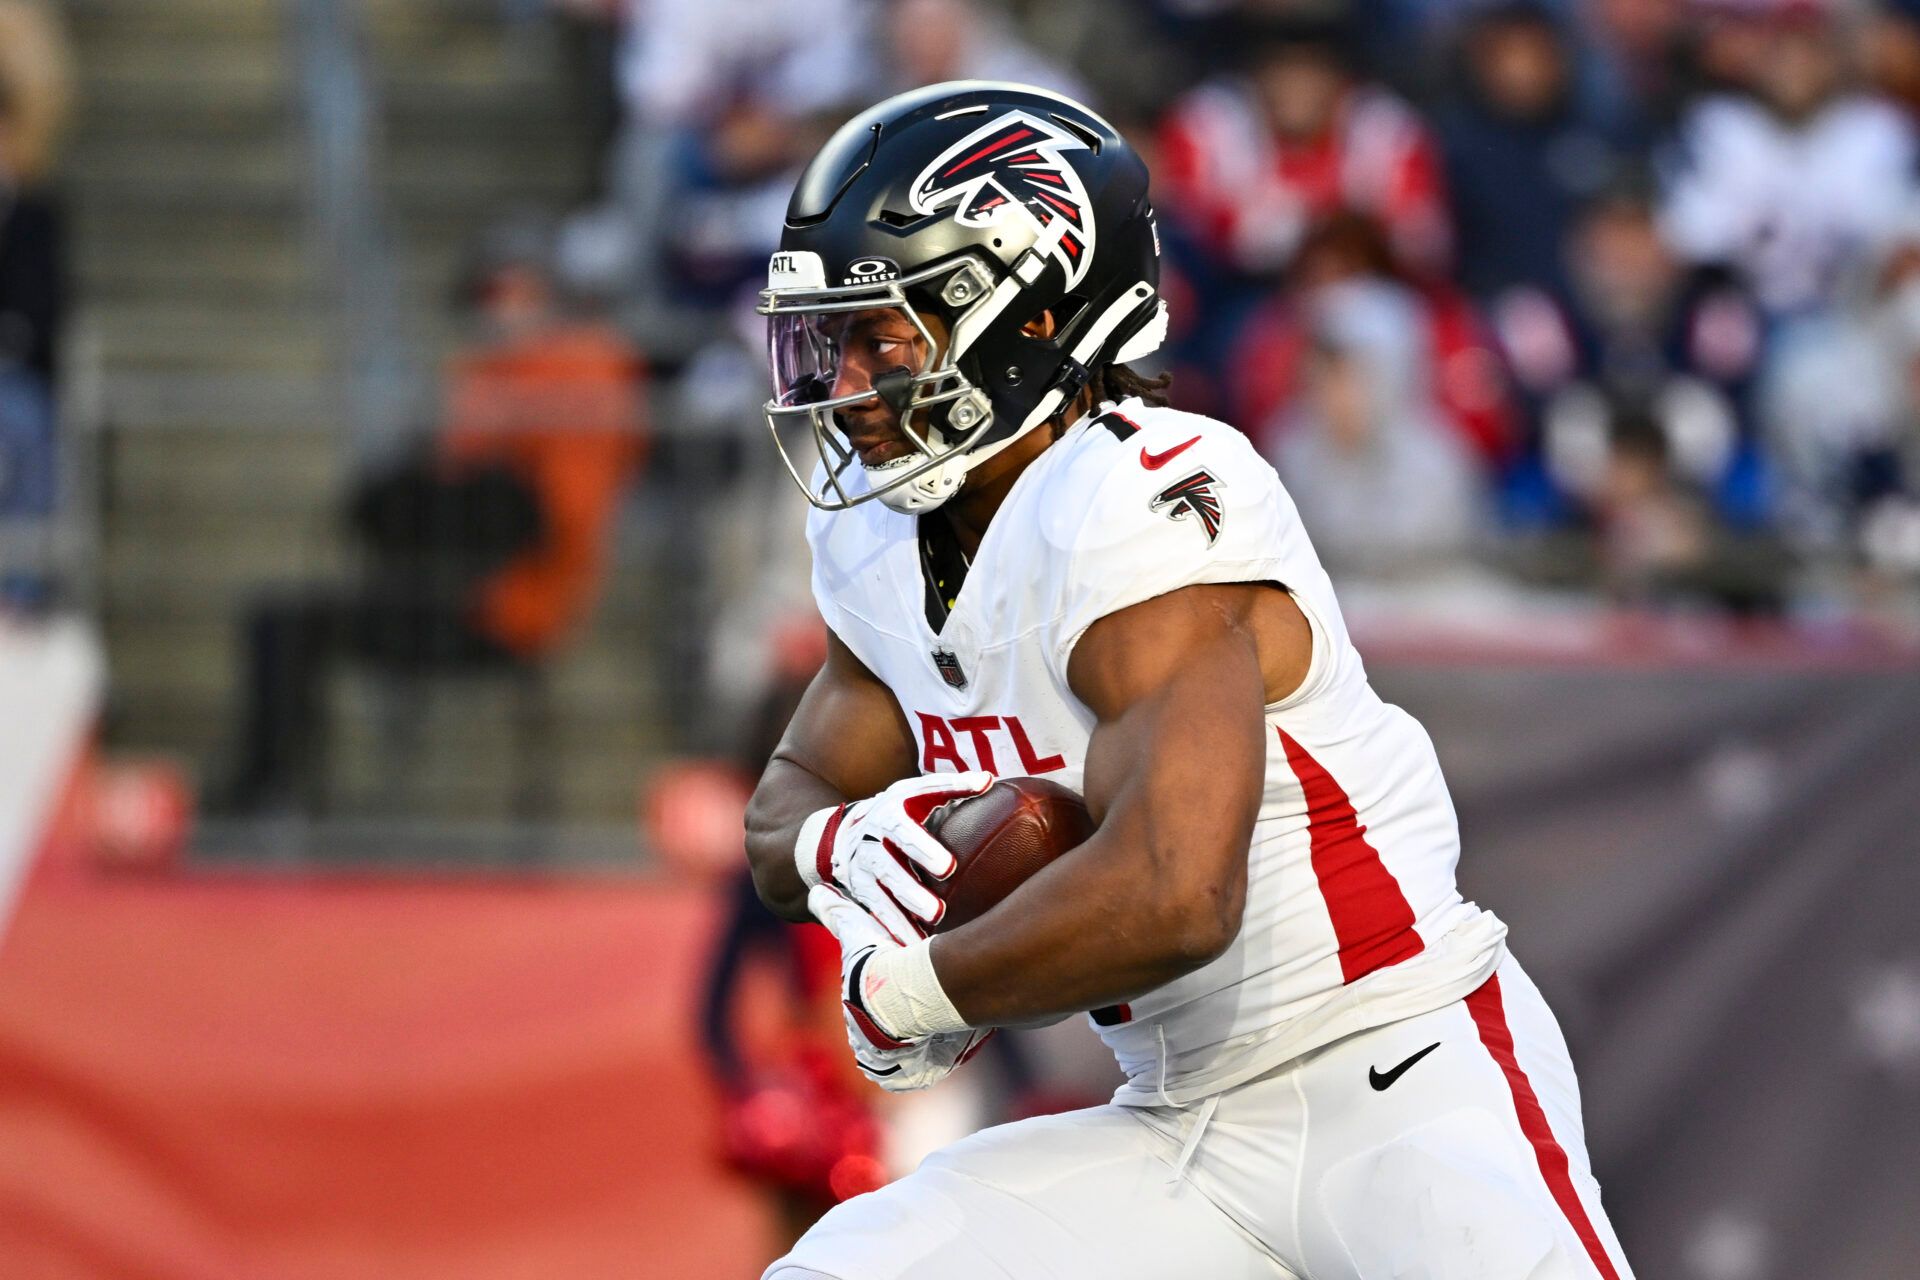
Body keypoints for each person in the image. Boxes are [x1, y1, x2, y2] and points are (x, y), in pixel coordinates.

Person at [741, 81, 1636, 1278]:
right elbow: (788, 798)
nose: (849, 381)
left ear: (1033, 322)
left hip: (1398, 1066)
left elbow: (1174, 891)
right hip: (1174, 1118)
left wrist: (913, 989)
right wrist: (844, 849)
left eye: (886, 335)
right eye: (833, 337)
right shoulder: (882, 541)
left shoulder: (1139, 498)